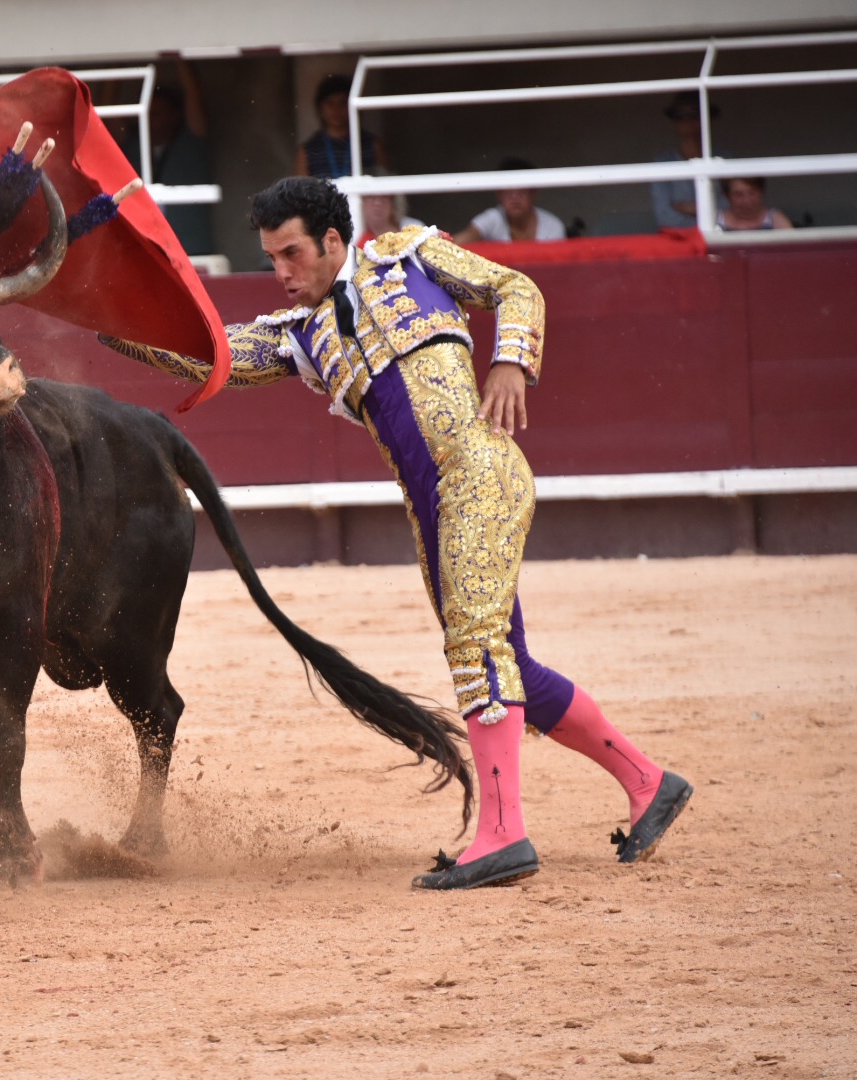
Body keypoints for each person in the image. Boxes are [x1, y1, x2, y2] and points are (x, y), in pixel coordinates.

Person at [100, 177, 692, 889]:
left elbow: (515, 288)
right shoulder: (301, 336)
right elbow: (214, 355)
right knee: (513, 670)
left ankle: (504, 836)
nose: (281, 272)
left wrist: (510, 361)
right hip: (432, 508)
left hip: (479, 473)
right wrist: (110, 319)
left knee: (476, 650)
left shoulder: (409, 257)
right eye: (270, 258)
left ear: (330, 242)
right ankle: (649, 782)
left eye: (291, 254)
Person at [123, 62, 215, 256]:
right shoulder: (133, 148)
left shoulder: (191, 146)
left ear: (174, 116)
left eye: (157, 114)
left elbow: (193, 94)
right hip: (146, 254)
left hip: (191, 253)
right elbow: (102, 117)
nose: (150, 120)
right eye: (147, 114)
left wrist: (173, 52)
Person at [295, 73, 387, 180]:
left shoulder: (373, 145)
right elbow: (301, 192)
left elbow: (385, 186)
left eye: (342, 103)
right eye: (330, 103)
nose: (336, 109)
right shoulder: (306, 151)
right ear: (320, 108)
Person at [453, 158, 567, 243]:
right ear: (499, 194)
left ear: (533, 194)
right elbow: (463, 238)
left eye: (522, 193)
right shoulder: (493, 218)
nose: (515, 199)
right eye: (509, 193)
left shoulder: (553, 226)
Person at [650, 91, 717, 230]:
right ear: (673, 121)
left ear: (707, 118)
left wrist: (685, 207)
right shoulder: (663, 162)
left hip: (718, 237)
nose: (687, 121)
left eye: (694, 115)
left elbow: (726, 211)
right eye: (680, 116)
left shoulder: (723, 159)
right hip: (676, 240)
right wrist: (704, 213)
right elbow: (664, 216)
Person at [355, 172, 424, 247]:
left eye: (384, 197)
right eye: (371, 197)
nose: (378, 203)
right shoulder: (359, 239)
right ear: (362, 203)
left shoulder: (414, 229)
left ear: (394, 203)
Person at [717, 176, 794, 232]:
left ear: (761, 192)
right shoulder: (715, 221)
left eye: (752, 193)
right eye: (738, 194)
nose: (746, 200)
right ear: (727, 196)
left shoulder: (775, 220)